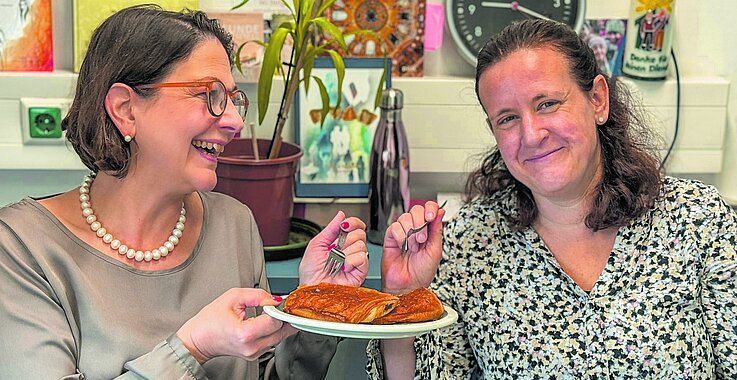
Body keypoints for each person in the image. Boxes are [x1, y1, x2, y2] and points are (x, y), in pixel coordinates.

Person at [0, 5, 369, 379]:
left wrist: (316, 306)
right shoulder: (21, 247)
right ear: (126, 109)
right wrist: (192, 348)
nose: (235, 121)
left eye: (231, 98)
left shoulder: (234, 224)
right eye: (209, 95)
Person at [369, 19, 737, 378]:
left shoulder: (698, 221)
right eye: (508, 118)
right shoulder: (469, 243)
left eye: (546, 104)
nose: (531, 134)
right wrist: (406, 298)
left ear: (597, 99)